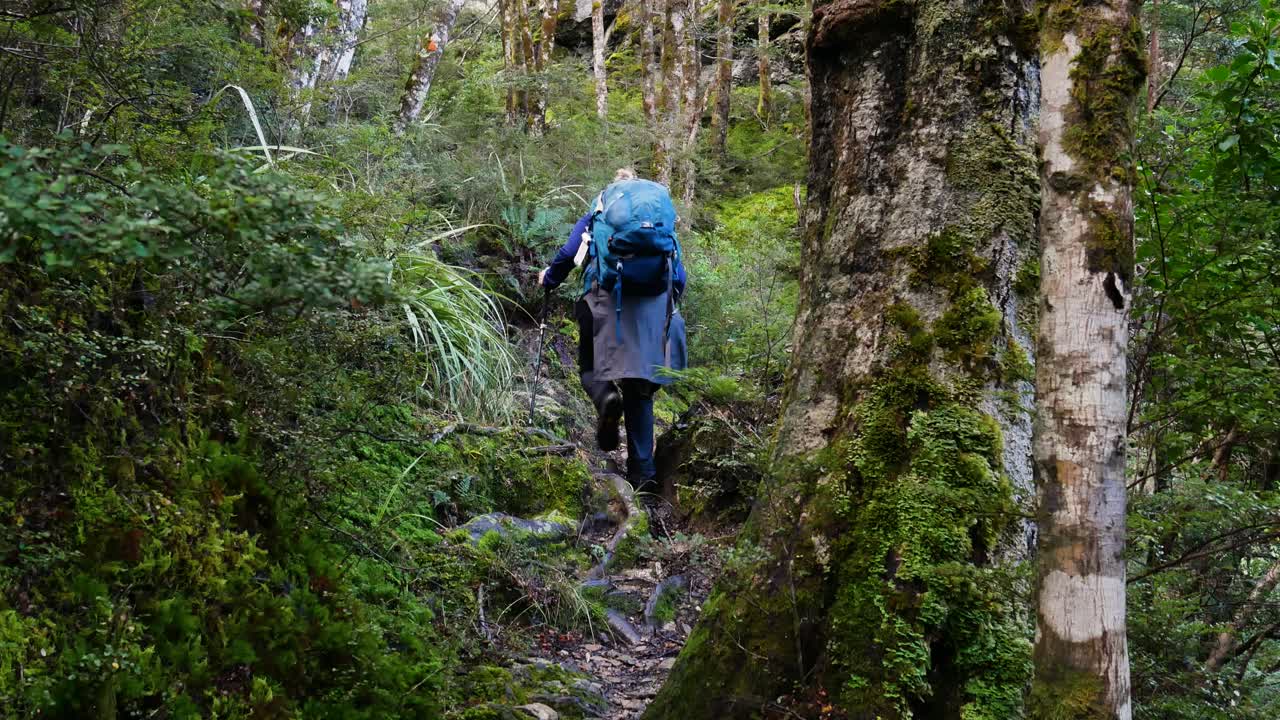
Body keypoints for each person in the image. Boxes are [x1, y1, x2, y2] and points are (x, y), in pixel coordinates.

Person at [537, 168, 687, 489]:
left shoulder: (601, 207)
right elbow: (679, 277)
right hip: (650, 310)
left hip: (602, 300)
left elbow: (568, 252)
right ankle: (643, 481)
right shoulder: (659, 218)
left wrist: (549, 278)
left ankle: (606, 397)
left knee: (591, 367)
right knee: (640, 390)